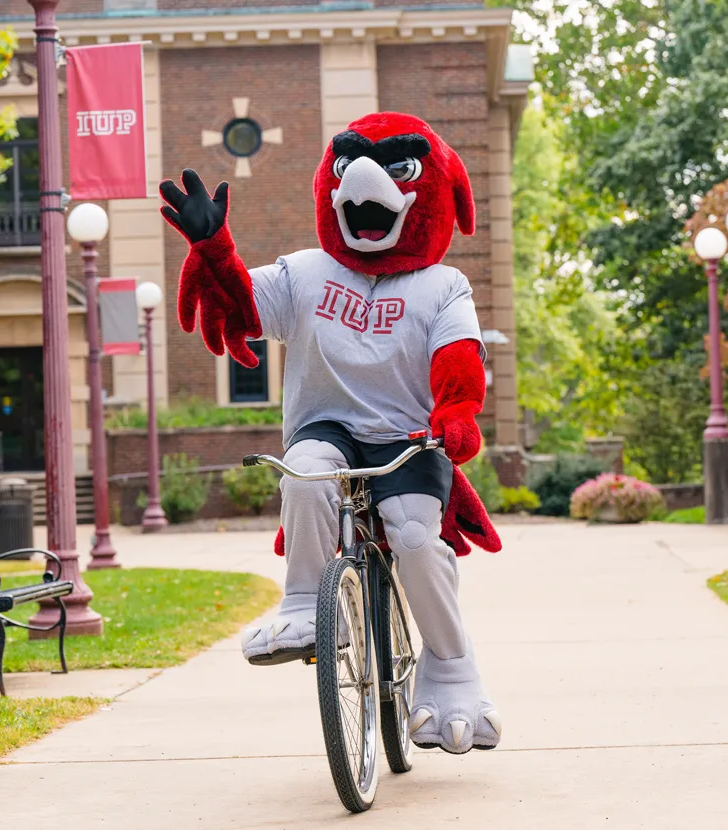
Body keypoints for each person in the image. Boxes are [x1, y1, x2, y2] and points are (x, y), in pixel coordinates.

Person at [158, 112, 502, 754]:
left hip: (409, 438)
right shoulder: (306, 272)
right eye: (346, 170)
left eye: (402, 171)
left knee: (415, 538)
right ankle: (303, 608)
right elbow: (241, 307)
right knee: (307, 471)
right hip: (328, 428)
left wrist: (455, 411)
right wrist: (214, 250)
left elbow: (458, 360)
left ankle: (452, 671)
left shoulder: (443, 284)